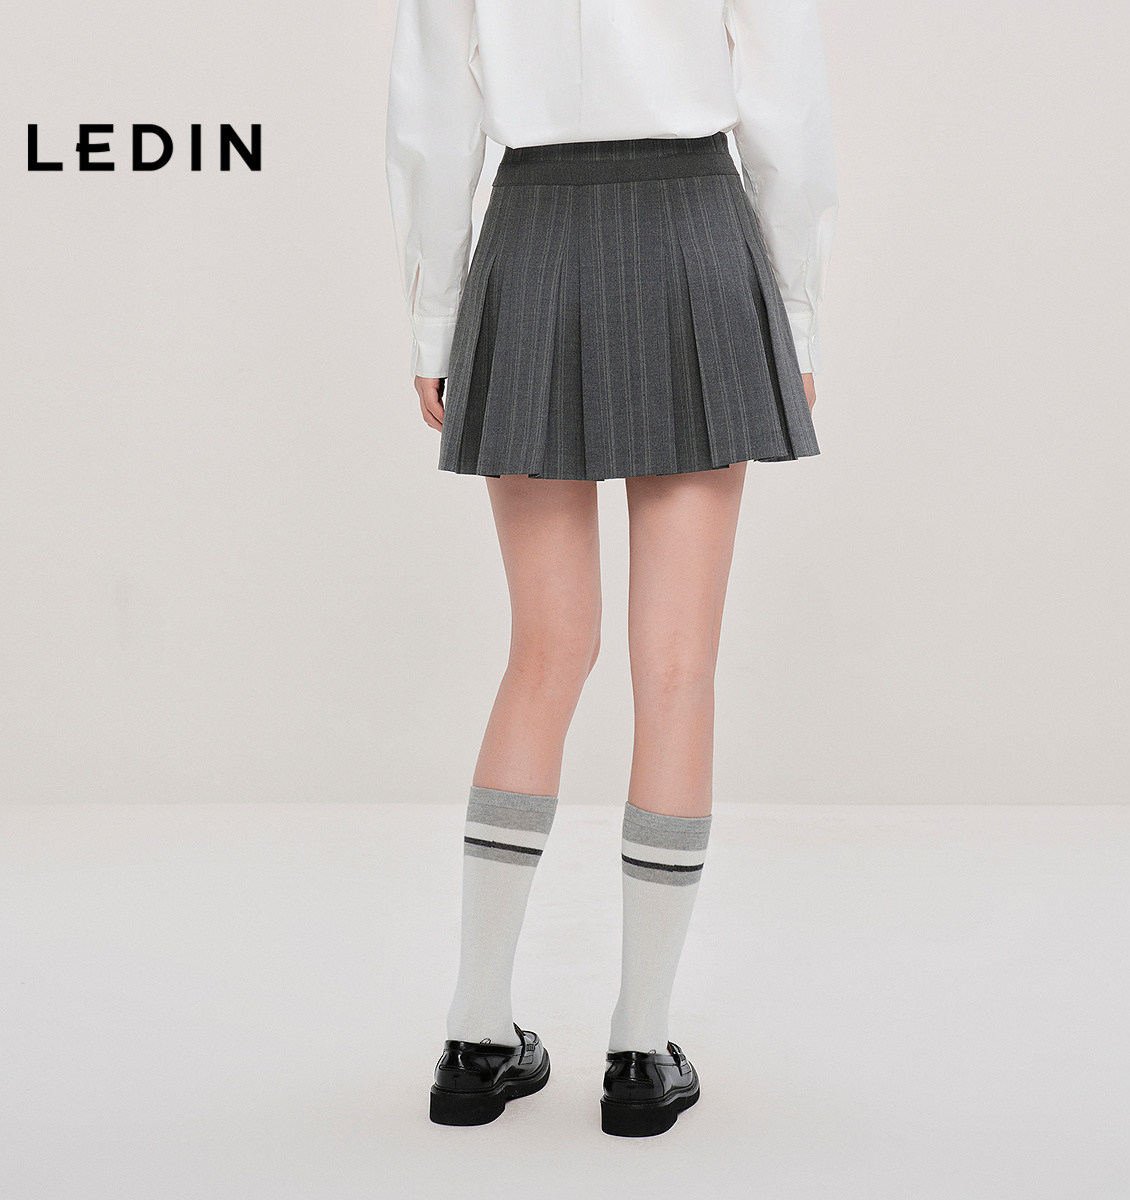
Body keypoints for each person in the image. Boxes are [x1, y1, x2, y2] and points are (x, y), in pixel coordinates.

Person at [385, 0, 836, 1138]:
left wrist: (436, 322)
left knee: (543, 653)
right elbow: (787, 108)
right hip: (694, 230)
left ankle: (475, 1036)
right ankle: (640, 1050)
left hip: (532, 236)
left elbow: (432, 121)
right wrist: (795, 314)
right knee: (676, 668)